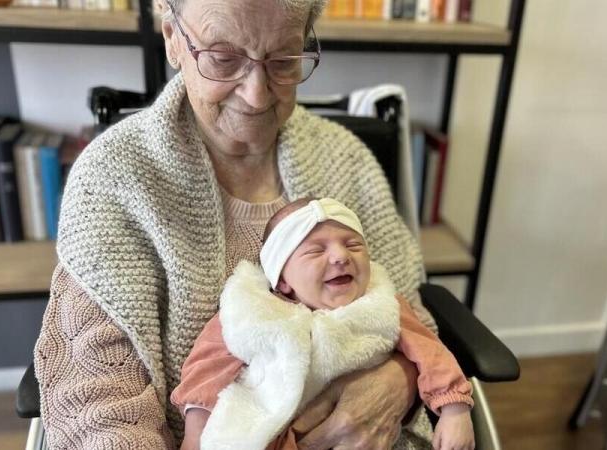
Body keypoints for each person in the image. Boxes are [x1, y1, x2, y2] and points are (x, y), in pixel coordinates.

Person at [33, 0, 439, 448]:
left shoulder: (347, 162)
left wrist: (399, 384)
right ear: (173, 37)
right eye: (224, 59)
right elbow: (99, 400)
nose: (257, 94)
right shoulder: (113, 179)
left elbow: (411, 318)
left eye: (284, 60)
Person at [171, 198, 475, 450]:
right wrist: (196, 435)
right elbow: (207, 366)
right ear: (283, 280)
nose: (341, 256)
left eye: (353, 245)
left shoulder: (382, 304)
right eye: (316, 250)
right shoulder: (254, 310)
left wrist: (454, 409)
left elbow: (431, 353)